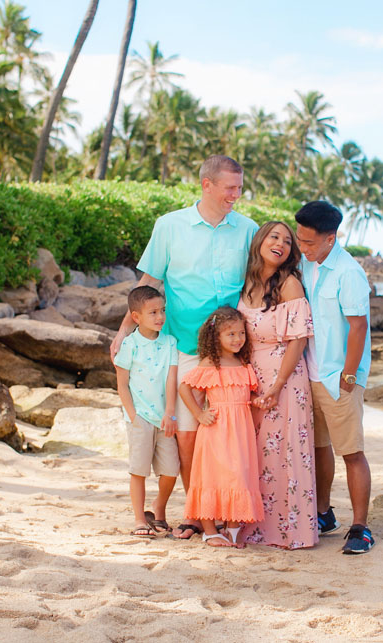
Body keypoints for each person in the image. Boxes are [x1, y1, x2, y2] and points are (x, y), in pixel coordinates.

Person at [111, 155, 258, 540]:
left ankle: (227, 510)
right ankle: (196, 513)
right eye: (229, 188)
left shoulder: (248, 229)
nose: (236, 195)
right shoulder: (170, 225)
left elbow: (258, 284)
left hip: (231, 351)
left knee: (229, 435)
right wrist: (124, 330)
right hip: (186, 347)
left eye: (239, 188)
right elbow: (150, 281)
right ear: (207, 185)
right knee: (189, 436)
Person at [294, 201, 375, 555]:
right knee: (319, 447)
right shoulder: (306, 264)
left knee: (352, 452)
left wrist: (350, 376)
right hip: (309, 375)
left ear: (331, 238)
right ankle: (324, 514)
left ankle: (361, 528)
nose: (302, 247)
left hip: (339, 377)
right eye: (300, 239)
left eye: (309, 242)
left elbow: (358, 326)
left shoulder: (348, 272)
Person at [237, 222, 318, 549]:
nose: (281, 244)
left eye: (287, 241)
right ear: (260, 241)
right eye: (274, 237)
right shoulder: (246, 283)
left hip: (285, 380)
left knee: (284, 453)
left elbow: (299, 340)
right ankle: (254, 526)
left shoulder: (289, 283)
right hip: (252, 379)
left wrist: (277, 384)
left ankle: (289, 531)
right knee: (258, 454)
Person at [179, 306, 264, 547]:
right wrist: (199, 413)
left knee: (237, 476)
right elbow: (184, 388)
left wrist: (257, 400)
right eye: (231, 334)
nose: (238, 339)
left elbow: (247, 393)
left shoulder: (243, 363)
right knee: (212, 477)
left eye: (241, 333)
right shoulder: (210, 363)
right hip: (216, 430)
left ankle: (233, 528)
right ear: (216, 336)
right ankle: (209, 531)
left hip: (240, 431)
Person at [113, 286, 180, 537]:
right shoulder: (130, 345)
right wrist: (133, 416)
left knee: (171, 470)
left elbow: (171, 379)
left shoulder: (170, 343)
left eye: (162, 310)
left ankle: (159, 507)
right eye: (153, 312)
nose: (160, 316)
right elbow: (122, 385)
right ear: (136, 317)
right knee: (139, 471)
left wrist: (170, 413)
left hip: (164, 418)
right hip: (140, 418)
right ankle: (140, 520)